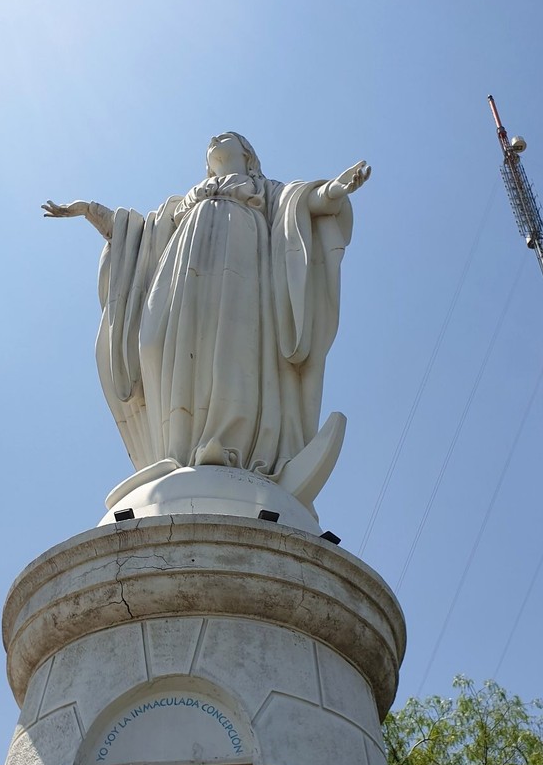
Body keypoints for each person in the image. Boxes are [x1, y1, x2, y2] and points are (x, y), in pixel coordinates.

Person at [42, 133, 370, 499]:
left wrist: (334, 191)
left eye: (227, 137)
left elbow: (302, 203)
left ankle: (231, 446)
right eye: (213, 139)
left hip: (242, 257)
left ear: (247, 155)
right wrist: (91, 211)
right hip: (181, 268)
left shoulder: (264, 189)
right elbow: (138, 237)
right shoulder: (181, 205)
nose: (215, 139)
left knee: (232, 345)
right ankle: (177, 450)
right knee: (154, 344)